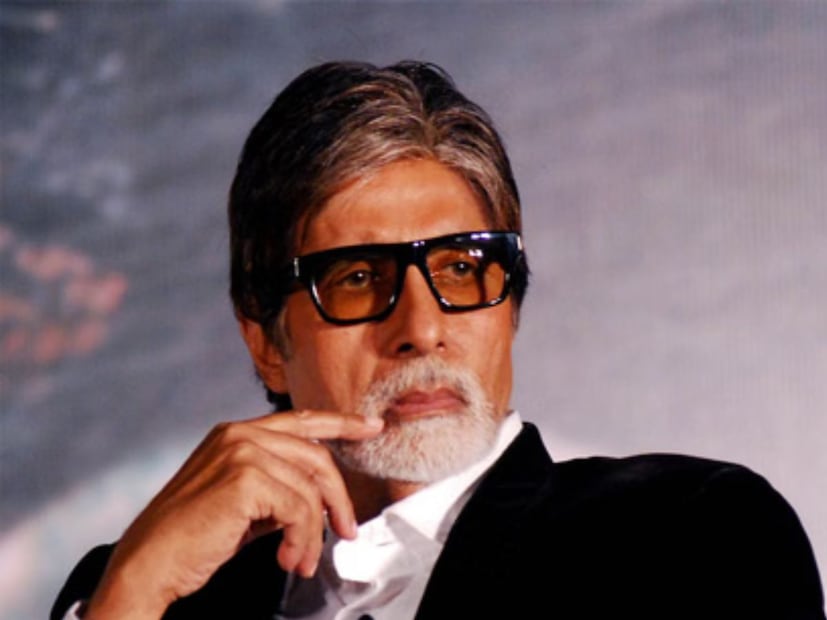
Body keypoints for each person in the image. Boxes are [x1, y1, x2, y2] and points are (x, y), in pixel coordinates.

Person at [52, 60, 824, 620]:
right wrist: (129, 597)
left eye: (460, 269)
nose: (421, 330)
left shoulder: (686, 536)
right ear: (264, 340)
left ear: (509, 307)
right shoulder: (148, 589)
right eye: (358, 278)